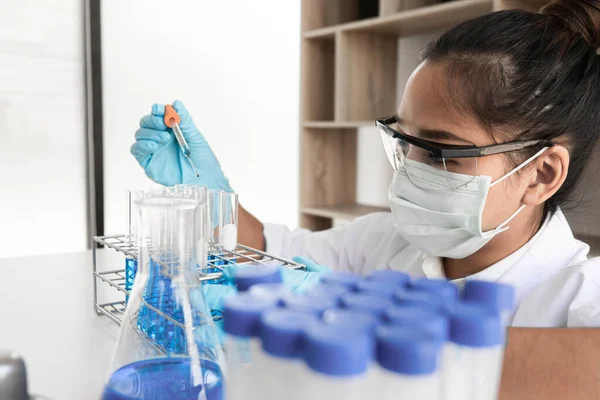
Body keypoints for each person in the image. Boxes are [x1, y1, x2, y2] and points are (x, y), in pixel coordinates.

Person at [131, 0, 600, 327]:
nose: (409, 169)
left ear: (540, 175)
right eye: (405, 140)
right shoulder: (383, 242)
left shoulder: (579, 300)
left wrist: (373, 325)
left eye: (440, 151)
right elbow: (270, 253)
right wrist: (209, 192)